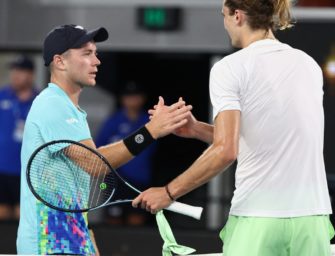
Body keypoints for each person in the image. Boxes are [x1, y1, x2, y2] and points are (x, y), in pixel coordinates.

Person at [132, 0, 334, 255]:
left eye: (224, 16)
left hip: (259, 218)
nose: (225, 24)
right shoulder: (308, 65)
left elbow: (226, 150)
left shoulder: (230, 68)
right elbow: (265, 136)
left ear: (237, 16)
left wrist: (168, 192)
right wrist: (197, 130)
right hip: (312, 218)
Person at [17, 24, 192, 255]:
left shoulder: (70, 109)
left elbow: (70, 186)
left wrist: (87, 236)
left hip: (72, 240)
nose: (97, 61)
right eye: (87, 54)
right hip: (48, 244)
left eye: (96, 53)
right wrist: (149, 131)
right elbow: (96, 164)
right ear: (60, 61)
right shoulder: (52, 104)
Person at [96, 81, 156, 226]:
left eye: (136, 96)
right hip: (115, 179)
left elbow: (153, 150)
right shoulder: (114, 121)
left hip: (139, 180)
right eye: (128, 96)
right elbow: (99, 148)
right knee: (113, 219)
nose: (132, 100)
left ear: (142, 98)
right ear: (122, 99)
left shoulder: (149, 121)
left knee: (137, 219)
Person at [0, 55, 37, 220]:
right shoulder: (2, 96)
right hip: (2, 169)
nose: (15, 74)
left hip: (27, 171)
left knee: (24, 217)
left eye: (20, 70)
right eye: (13, 70)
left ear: (31, 75)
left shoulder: (40, 101)